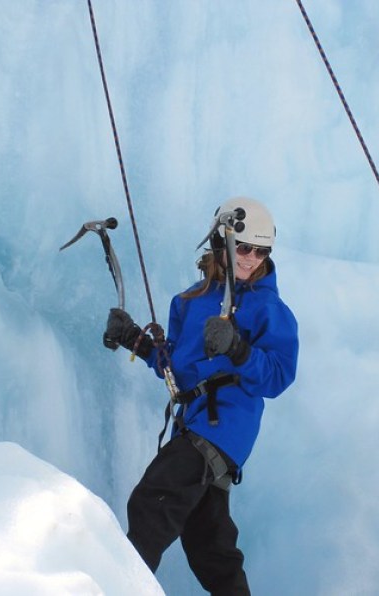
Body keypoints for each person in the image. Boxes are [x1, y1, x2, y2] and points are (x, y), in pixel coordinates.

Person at [103, 197, 299, 595]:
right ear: (220, 242)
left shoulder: (269, 309)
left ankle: (113, 588)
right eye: (243, 247)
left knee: (152, 503)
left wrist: (239, 350)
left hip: (223, 425)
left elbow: (278, 375)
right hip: (194, 424)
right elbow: (177, 369)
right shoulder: (190, 301)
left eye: (261, 251)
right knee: (209, 546)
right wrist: (136, 340)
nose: (251, 258)